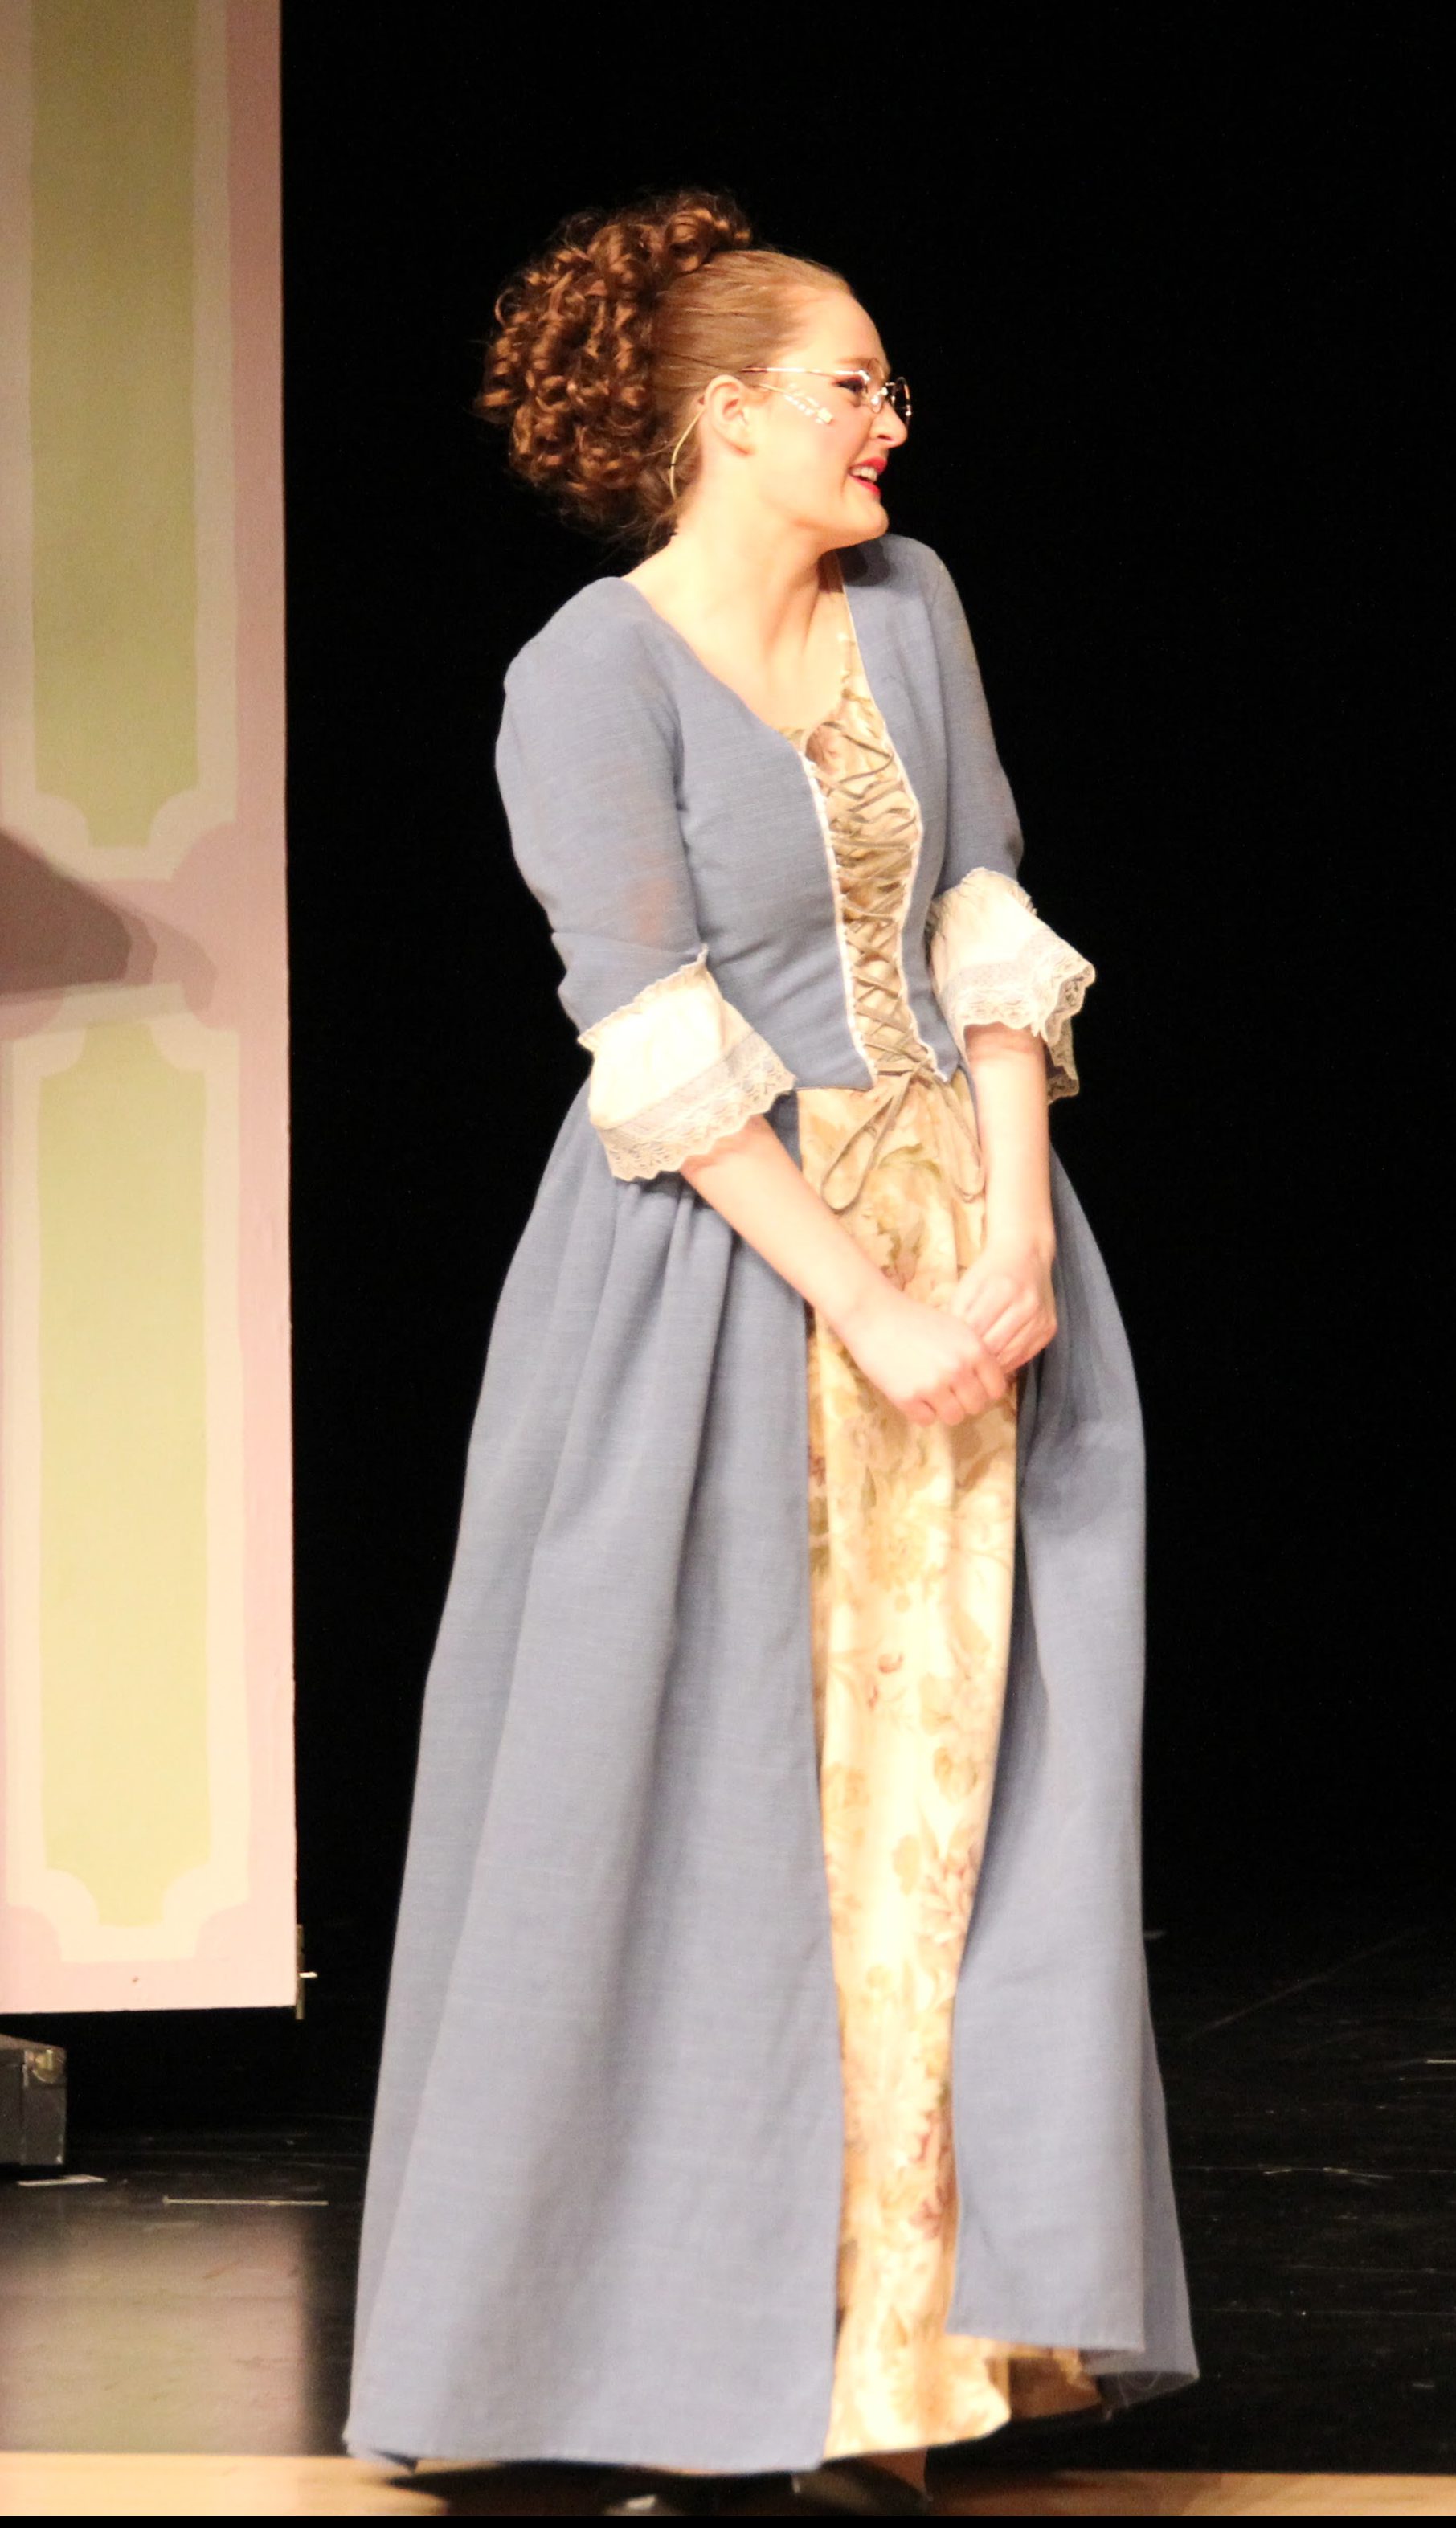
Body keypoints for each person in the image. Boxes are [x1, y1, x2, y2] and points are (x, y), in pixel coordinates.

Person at [345, 190, 1196, 2518]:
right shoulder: (585, 677)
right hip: (726, 1280)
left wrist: (1011, 1222)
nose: (888, 426)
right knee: (716, 1808)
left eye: (888, 388)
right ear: (726, 415)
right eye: (853, 387)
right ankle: (664, 2351)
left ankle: (899, 2363)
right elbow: (655, 1037)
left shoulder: (907, 605)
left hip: (967, 1234)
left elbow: (983, 912)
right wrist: (871, 1298)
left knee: (951, 1808)